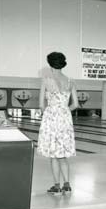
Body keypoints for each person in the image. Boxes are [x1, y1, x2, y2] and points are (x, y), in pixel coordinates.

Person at [37, 52, 79, 194]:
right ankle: (67, 185)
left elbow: (41, 104)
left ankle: (56, 186)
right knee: (63, 154)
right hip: (65, 118)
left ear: (50, 64)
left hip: (51, 117)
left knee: (54, 155)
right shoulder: (70, 81)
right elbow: (76, 104)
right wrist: (65, 110)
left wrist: (49, 112)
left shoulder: (46, 80)